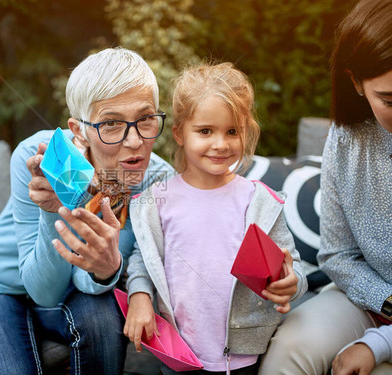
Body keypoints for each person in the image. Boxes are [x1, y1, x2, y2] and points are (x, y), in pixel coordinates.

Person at [0, 47, 174, 374]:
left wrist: (108, 269)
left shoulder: (157, 180)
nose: (135, 141)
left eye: (145, 119)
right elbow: (43, 290)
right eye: (111, 123)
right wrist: (52, 211)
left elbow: (83, 283)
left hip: (71, 293)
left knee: (101, 318)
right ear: (79, 129)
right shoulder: (40, 157)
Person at [123, 62, 307, 375]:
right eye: (206, 131)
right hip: (177, 353)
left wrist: (292, 282)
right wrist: (139, 295)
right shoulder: (158, 200)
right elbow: (145, 258)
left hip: (242, 357)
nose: (221, 144)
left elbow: (293, 268)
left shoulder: (258, 201)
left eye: (232, 131)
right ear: (180, 133)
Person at [258, 0, 392, 374]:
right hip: (367, 297)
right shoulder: (347, 137)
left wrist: (378, 345)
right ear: (355, 82)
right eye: (390, 100)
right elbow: (337, 256)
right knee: (291, 348)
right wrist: (387, 303)